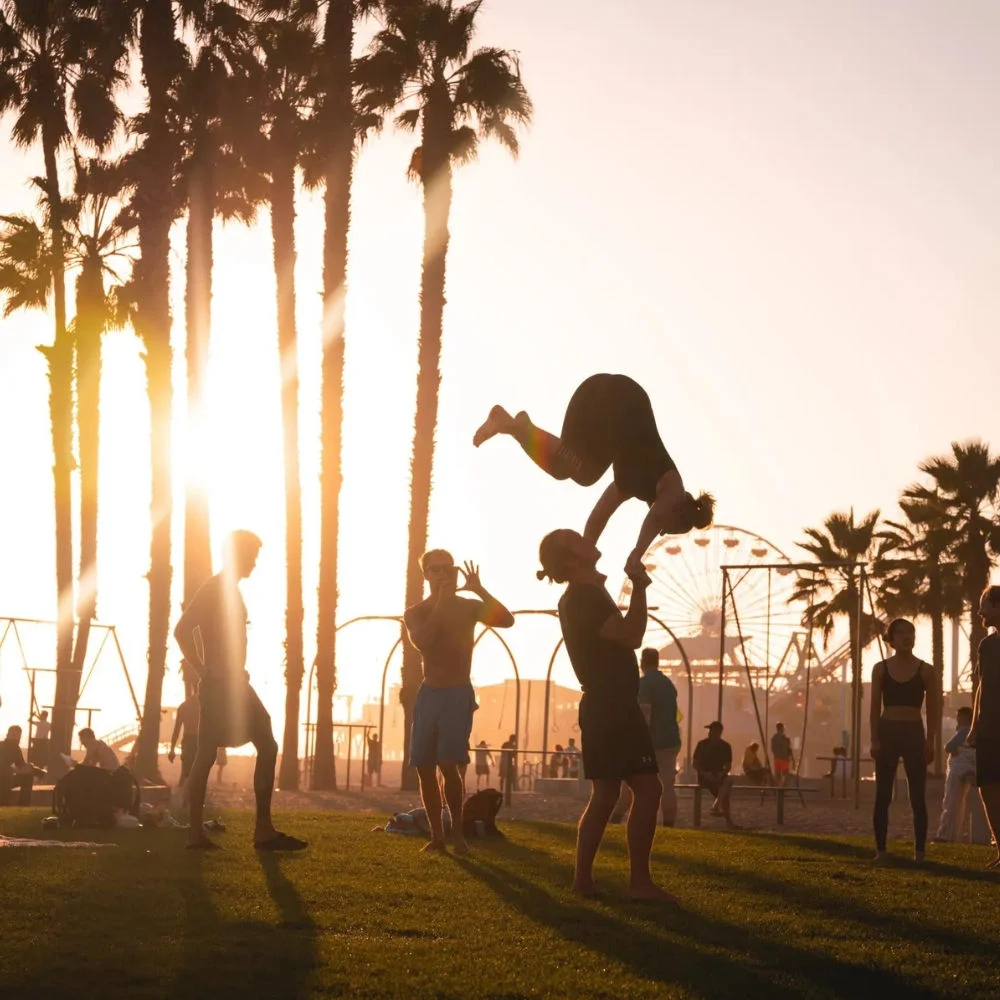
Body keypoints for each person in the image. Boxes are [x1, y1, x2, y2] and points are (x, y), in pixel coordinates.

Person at [538, 527, 674, 902]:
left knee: (607, 793)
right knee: (648, 788)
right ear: (570, 559)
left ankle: (584, 881)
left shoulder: (584, 594)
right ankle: (640, 884)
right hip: (613, 705)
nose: (584, 536)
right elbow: (632, 635)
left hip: (604, 704)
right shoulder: (583, 597)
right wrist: (641, 588)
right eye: (573, 537)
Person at [474, 374, 715, 577]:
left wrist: (586, 553)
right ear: (679, 510)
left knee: (564, 469)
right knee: (585, 473)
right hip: (622, 400)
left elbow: (599, 516)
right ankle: (521, 428)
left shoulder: (629, 484)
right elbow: (655, 518)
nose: (659, 528)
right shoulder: (672, 484)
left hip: (590, 395)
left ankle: (515, 427)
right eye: (666, 527)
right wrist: (636, 555)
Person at [173, 529, 306, 852]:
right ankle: (197, 833)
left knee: (265, 743)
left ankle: (262, 830)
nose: (255, 564)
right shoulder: (214, 588)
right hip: (219, 687)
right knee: (207, 755)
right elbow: (181, 630)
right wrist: (204, 669)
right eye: (252, 557)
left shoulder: (229, 590)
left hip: (236, 683)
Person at [403, 550, 514, 854]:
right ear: (425, 574)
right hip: (429, 694)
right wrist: (440, 601)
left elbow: (507, 620)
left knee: (449, 765)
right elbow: (423, 640)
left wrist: (479, 589)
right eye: (434, 570)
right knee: (424, 767)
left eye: (446, 568)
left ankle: (457, 834)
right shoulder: (416, 612)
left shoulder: (468, 608)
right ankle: (437, 837)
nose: (442, 574)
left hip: (457, 694)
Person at [869, 618, 937, 863]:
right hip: (888, 732)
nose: (906, 637)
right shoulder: (880, 669)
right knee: (883, 795)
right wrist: (874, 739)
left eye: (910, 632)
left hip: (913, 733)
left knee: (917, 796)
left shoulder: (926, 671)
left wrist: (931, 742)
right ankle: (881, 851)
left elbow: (934, 709)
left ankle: (919, 853)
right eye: (900, 633)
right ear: (892, 638)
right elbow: (875, 706)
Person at [969, 586, 1000, 869]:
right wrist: (974, 724)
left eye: (984, 605)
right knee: (987, 786)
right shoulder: (986, 645)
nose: (980, 612)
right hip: (989, 729)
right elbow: (981, 686)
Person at [933, 706, 976, 843]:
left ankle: (945, 835)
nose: (957, 718)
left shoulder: (964, 730)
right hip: (972, 769)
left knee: (951, 803)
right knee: (963, 804)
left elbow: (949, 747)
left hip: (957, 769)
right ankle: (960, 835)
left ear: (965, 717)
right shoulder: (975, 731)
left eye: (959, 716)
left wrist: (955, 750)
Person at [693, 722, 738, 828]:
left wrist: (721, 773)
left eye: (711, 730)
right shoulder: (702, 745)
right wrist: (705, 774)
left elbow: (728, 765)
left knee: (728, 781)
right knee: (725, 790)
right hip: (704, 776)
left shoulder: (726, 746)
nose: (709, 732)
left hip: (719, 775)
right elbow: (695, 764)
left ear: (718, 732)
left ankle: (716, 806)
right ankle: (727, 820)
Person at [167, 690, 200, 794]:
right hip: (199, 741)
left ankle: (186, 796)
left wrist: (172, 749)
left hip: (188, 741)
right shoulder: (203, 705)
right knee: (198, 771)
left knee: (187, 771)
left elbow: (176, 730)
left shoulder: (184, 706)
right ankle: (190, 796)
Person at [0, 725, 37, 805]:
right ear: (8, 735)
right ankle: (4, 803)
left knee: (28, 777)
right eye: (14, 735)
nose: (16, 738)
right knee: (7, 774)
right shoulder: (1, 746)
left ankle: (23, 805)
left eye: (18, 736)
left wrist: (31, 768)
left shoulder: (16, 748)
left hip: (8, 778)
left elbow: (20, 765)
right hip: (3, 778)